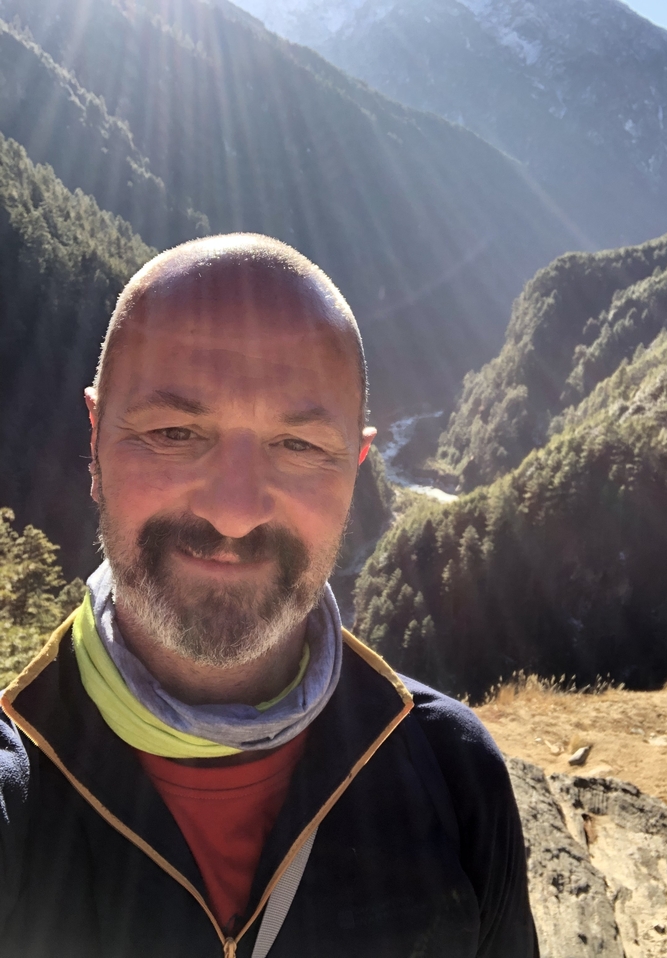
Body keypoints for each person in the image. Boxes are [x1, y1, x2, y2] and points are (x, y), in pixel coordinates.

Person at [0, 235, 538, 958]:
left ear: (356, 466)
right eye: (174, 432)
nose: (234, 512)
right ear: (95, 439)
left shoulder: (455, 773)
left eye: (298, 446)